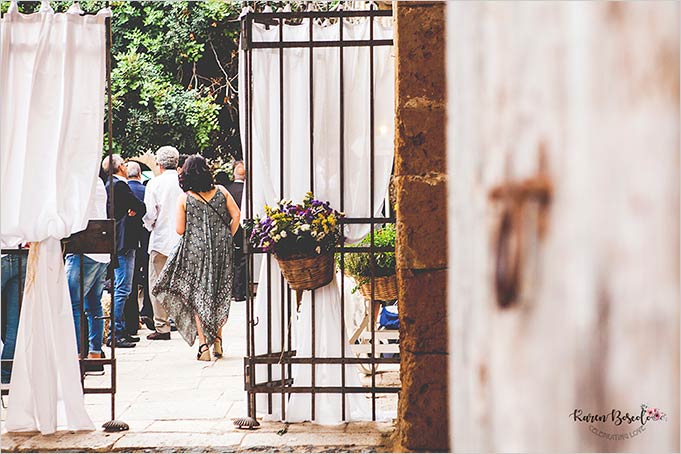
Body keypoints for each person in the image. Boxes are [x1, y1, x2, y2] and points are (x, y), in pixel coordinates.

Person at [152, 155, 240, 361]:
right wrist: (227, 235)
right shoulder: (222, 191)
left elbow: (180, 230)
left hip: (195, 253)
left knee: (200, 297)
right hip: (221, 251)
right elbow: (236, 215)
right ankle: (217, 339)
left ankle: (204, 347)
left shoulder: (185, 198)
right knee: (219, 293)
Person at [65, 176, 110, 371]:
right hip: (101, 251)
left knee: (72, 304)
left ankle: (76, 357)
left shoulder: (78, 181)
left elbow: (74, 216)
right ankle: (95, 354)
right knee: (93, 305)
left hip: (84, 249)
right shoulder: (97, 181)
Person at [102, 154, 147, 348]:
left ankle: (119, 329)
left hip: (120, 240)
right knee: (123, 287)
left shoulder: (111, 184)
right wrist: (134, 210)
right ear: (120, 166)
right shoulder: (119, 185)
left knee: (123, 287)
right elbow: (139, 206)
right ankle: (116, 332)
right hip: (124, 241)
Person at [143, 146, 183, 340]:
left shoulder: (154, 184)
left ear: (158, 164)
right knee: (181, 282)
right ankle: (183, 322)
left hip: (160, 240)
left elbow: (150, 213)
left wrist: (150, 226)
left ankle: (162, 326)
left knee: (157, 284)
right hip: (182, 239)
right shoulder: (184, 182)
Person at [126, 161, 153, 332]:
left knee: (130, 281)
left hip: (127, 242)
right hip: (147, 240)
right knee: (150, 278)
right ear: (140, 174)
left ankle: (132, 319)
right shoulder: (146, 190)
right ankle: (148, 311)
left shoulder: (118, 190)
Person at [1, 248, 27, 383]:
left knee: (14, 324)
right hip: (21, 254)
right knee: (14, 325)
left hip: (4, 253)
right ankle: (5, 374)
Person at [226, 161, 246, 301]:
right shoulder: (249, 190)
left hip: (230, 226)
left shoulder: (227, 190)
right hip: (245, 227)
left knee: (231, 259)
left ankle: (231, 291)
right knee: (243, 259)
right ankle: (240, 291)